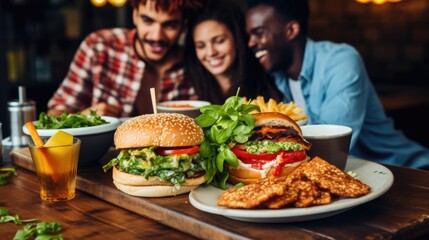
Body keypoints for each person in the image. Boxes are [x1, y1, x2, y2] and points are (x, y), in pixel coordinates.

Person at [245, 0, 429, 169]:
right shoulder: (277, 77)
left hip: (405, 171)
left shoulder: (341, 61)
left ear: (291, 30)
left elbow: (330, 145)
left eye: (259, 33)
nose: (251, 43)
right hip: (353, 175)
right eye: (249, 36)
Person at [47, 0, 202, 117]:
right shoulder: (99, 46)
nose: (156, 36)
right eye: (147, 20)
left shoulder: (196, 60)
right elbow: (54, 114)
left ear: (183, 25)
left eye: (170, 25)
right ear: (135, 16)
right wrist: (86, 117)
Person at [183, 0, 282, 104]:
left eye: (219, 41)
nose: (211, 52)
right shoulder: (190, 89)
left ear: (237, 39)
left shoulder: (270, 82)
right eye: (201, 46)